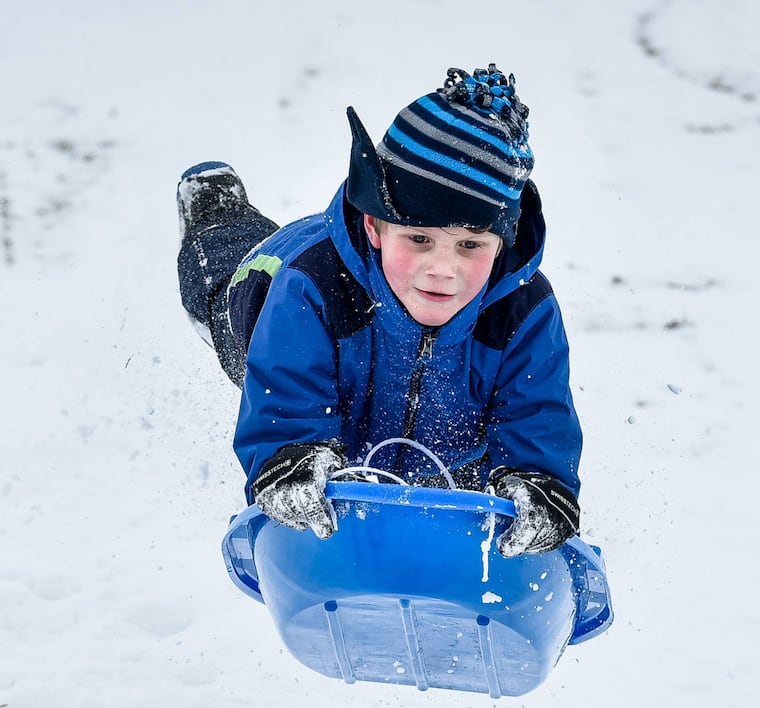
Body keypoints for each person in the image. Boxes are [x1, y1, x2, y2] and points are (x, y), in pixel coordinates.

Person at [175, 64, 583, 558]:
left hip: (444, 449)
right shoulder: (310, 288)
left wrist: (538, 485)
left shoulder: (523, 312)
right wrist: (290, 460)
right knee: (218, 291)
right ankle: (216, 214)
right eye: (419, 238)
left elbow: (535, 414)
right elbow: (285, 401)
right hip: (259, 305)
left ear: (502, 245)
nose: (443, 269)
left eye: (470, 245)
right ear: (374, 226)